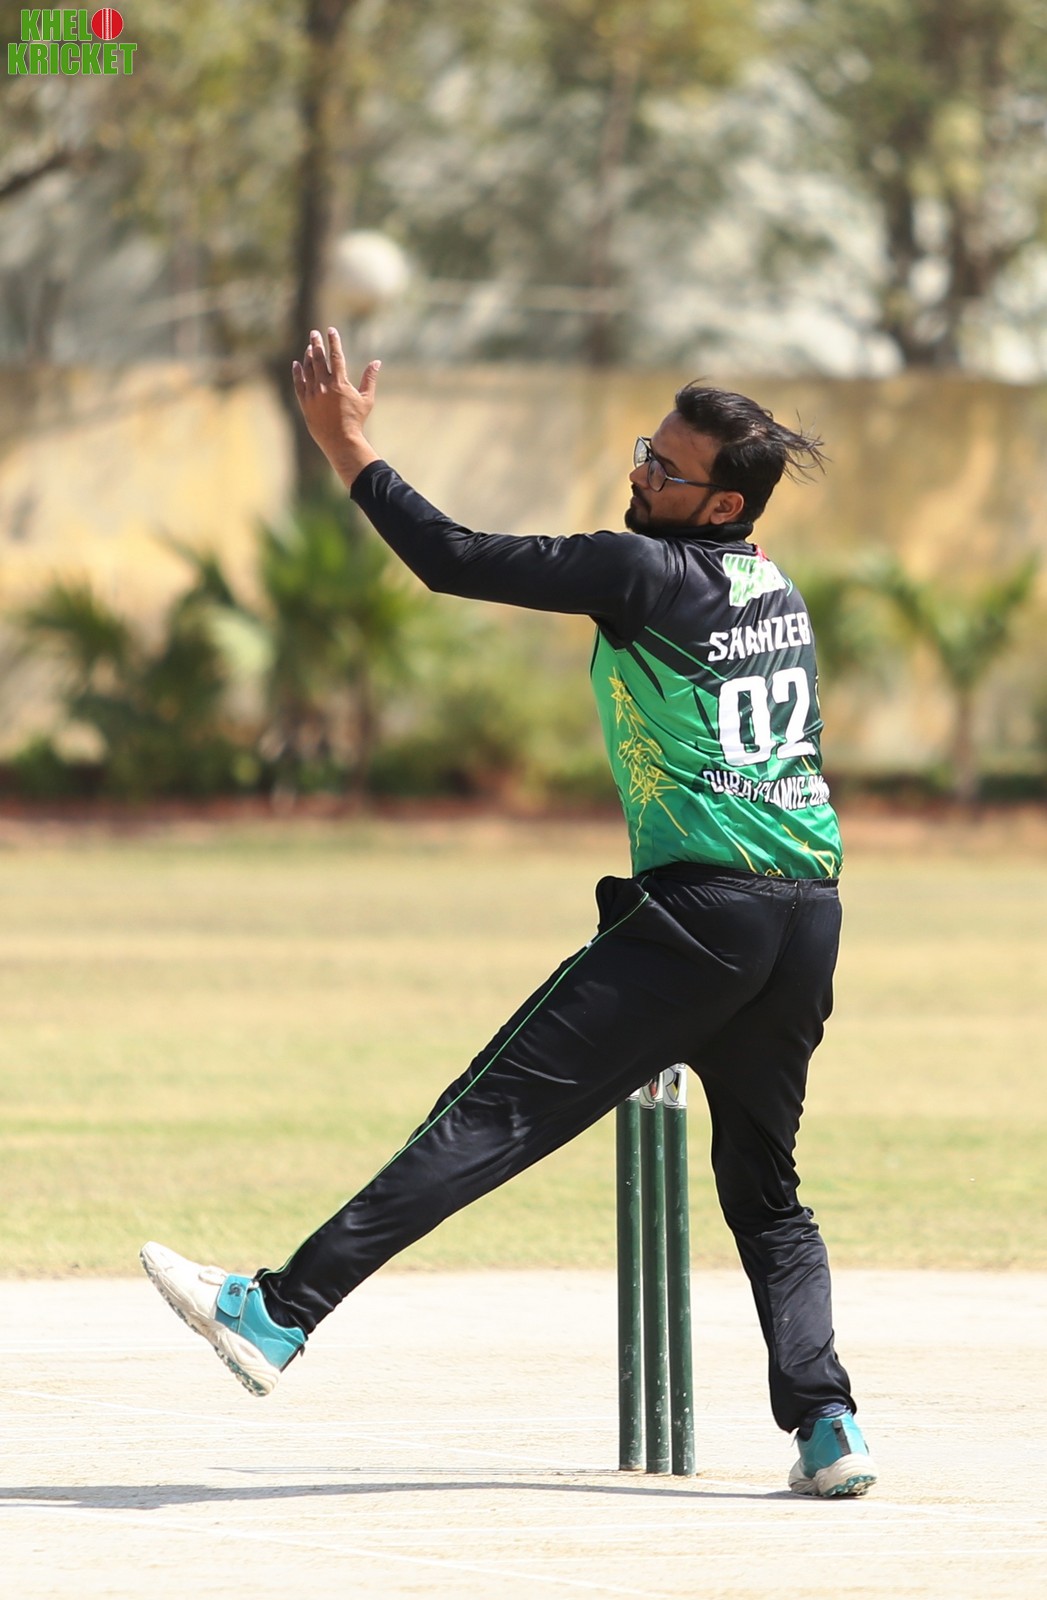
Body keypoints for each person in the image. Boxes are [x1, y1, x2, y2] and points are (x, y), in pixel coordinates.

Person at [142, 327, 877, 1499]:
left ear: (722, 503)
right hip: (804, 919)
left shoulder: (644, 574)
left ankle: (279, 1311)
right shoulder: (773, 585)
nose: (640, 471)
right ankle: (828, 1424)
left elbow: (452, 557)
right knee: (766, 1189)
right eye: (646, 450)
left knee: (487, 1114)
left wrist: (348, 447)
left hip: (702, 915)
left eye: (666, 468)